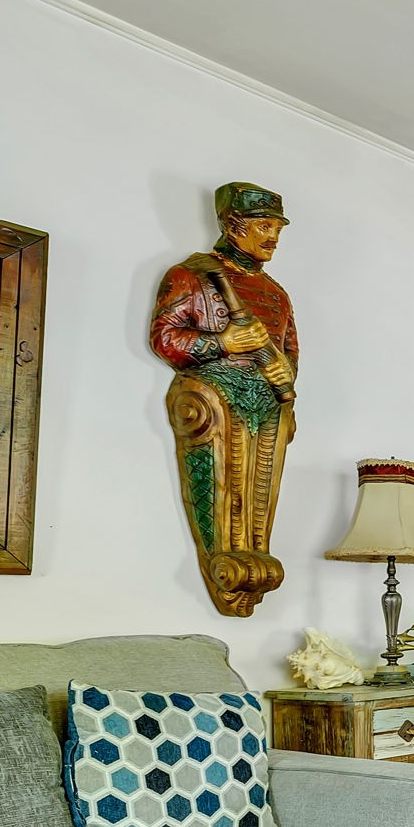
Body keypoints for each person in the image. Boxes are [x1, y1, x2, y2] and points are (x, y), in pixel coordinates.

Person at [148, 182, 298, 616]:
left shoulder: (275, 292)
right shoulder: (192, 274)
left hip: (267, 405)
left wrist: (285, 374)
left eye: (276, 228)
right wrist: (224, 343)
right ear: (233, 225)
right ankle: (225, 563)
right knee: (223, 497)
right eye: (263, 226)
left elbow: (289, 349)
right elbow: (166, 338)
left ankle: (252, 559)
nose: (271, 236)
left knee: (259, 500)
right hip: (215, 397)